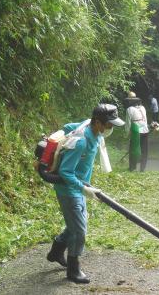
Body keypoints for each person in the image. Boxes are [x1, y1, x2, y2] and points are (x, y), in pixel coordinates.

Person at [47, 104, 124, 284]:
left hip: (79, 186)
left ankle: (56, 251)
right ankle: (73, 270)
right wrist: (84, 189)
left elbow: (67, 127)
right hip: (69, 189)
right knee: (80, 230)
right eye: (109, 125)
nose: (111, 128)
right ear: (97, 122)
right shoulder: (81, 141)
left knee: (77, 223)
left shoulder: (89, 128)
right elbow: (66, 172)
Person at [125, 91, 149, 172]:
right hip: (145, 130)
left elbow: (128, 124)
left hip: (136, 131)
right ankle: (142, 168)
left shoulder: (129, 109)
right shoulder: (142, 108)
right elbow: (145, 120)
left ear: (131, 101)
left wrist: (127, 134)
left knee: (133, 149)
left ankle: (132, 167)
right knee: (144, 150)